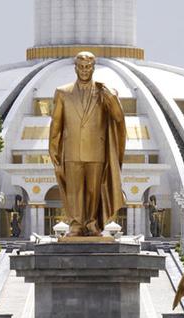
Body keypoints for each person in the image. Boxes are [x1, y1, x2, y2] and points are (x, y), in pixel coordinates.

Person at [48, 51, 126, 236]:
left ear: (93, 68)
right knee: (74, 191)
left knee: (93, 191)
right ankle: (75, 224)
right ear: (75, 68)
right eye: (81, 67)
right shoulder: (63, 92)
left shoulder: (104, 92)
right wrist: (53, 152)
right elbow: (56, 124)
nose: (84, 70)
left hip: (96, 151)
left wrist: (112, 99)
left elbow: (118, 118)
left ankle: (92, 223)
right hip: (72, 151)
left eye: (88, 67)